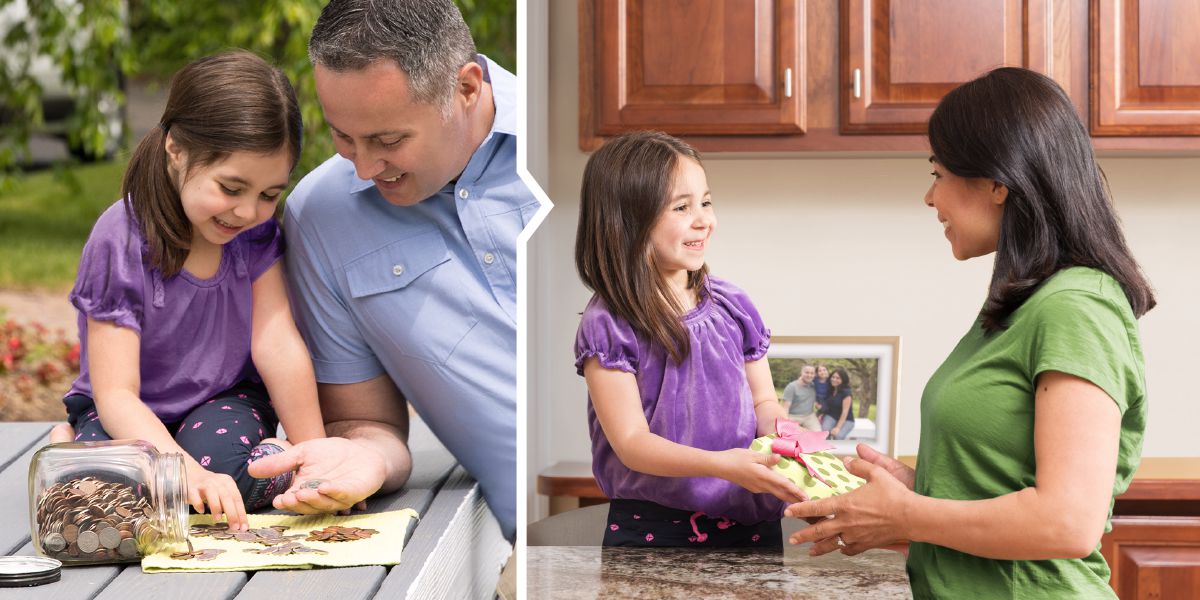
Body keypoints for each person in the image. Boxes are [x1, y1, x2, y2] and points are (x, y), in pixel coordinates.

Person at [786, 67, 1155, 600]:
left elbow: (1067, 522)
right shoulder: (1024, 305)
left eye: (937, 173)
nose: (930, 198)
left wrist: (907, 515)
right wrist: (915, 494)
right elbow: (1004, 491)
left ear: (997, 181)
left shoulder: (1077, 306)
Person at [247, 0, 537, 541]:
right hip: (547, 551)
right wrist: (364, 459)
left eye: (388, 140)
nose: (363, 167)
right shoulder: (321, 218)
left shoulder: (585, 144)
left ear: (467, 87)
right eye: (341, 136)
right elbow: (369, 425)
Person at [49, 51, 322, 531]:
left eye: (269, 194)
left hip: (220, 401)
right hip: (125, 411)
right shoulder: (120, 239)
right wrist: (182, 473)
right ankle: (68, 447)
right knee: (103, 501)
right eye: (231, 187)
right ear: (176, 148)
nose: (247, 211)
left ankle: (244, 462)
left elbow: (277, 344)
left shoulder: (255, 237)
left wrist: (312, 454)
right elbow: (116, 395)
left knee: (231, 479)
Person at [574, 130, 804, 549]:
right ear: (628, 220)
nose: (704, 220)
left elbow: (763, 402)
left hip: (750, 519)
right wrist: (723, 466)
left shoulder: (733, 305)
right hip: (655, 530)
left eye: (706, 202)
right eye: (682, 207)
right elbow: (631, 444)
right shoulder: (609, 324)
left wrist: (785, 433)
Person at [782, 365, 822, 432]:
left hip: (809, 416)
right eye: (807, 372)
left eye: (812, 373)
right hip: (793, 416)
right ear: (801, 373)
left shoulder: (814, 385)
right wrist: (786, 422)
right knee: (790, 435)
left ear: (814, 375)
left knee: (818, 433)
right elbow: (786, 407)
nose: (809, 375)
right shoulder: (792, 387)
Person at [820, 367, 855, 440]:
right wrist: (821, 414)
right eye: (833, 377)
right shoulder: (830, 389)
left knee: (839, 436)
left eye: (838, 378)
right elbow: (827, 405)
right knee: (824, 433)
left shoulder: (846, 392)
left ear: (843, 380)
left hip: (847, 419)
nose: (834, 379)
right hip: (831, 416)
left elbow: (845, 412)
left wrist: (838, 427)